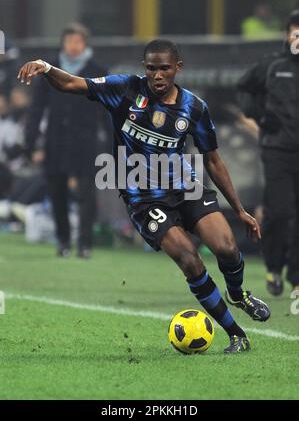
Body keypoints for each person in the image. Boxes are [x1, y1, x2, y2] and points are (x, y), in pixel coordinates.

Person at [17, 39, 270, 354]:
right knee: (190, 261)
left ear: (178, 68)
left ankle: (237, 294)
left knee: (227, 247)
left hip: (185, 187)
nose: (158, 75)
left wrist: (241, 209)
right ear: (144, 68)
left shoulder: (194, 107)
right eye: (152, 68)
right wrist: (45, 66)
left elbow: (213, 160)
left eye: (165, 68)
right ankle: (236, 334)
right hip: (144, 198)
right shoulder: (124, 90)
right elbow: (71, 83)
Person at [25, 23, 108, 258]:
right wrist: (31, 142)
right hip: (56, 139)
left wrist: (115, 144)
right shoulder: (48, 69)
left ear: (85, 44)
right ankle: (62, 241)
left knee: (87, 195)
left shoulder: (97, 69)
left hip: (86, 140)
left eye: (78, 42)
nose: (73, 46)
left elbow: (109, 110)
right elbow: (37, 109)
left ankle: (85, 244)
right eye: (69, 41)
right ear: (63, 43)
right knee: (57, 192)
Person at [237, 9, 299, 296]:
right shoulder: (272, 65)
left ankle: (296, 277)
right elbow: (244, 87)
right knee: (281, 211)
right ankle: (274, 265)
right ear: (288, 34)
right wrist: (260, 115)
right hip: (278, 150)